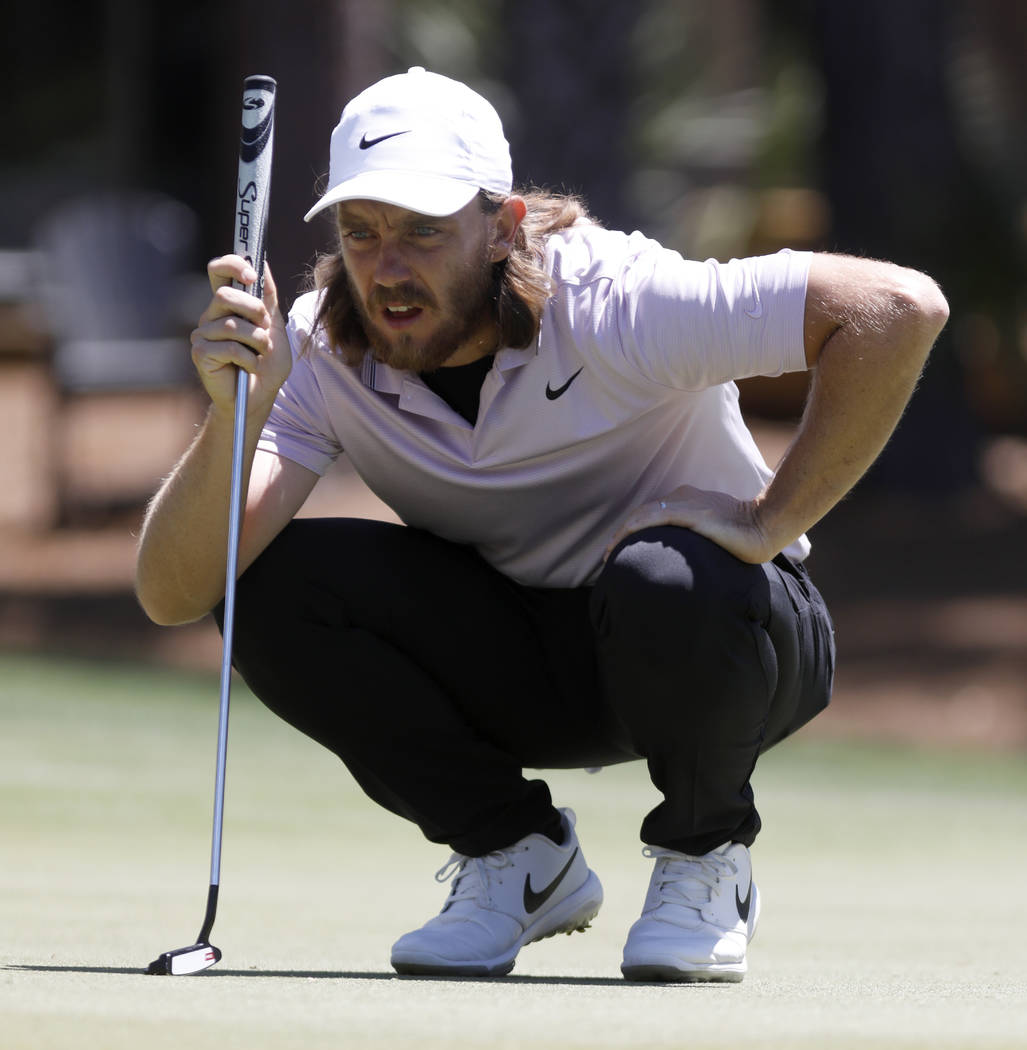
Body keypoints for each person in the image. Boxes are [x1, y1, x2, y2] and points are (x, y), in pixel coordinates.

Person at [135, 67, 949, 982]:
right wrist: (237, 408)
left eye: (423, 231)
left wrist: (769, 520)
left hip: (730, 639)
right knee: (265, 583)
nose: (387, 266)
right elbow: (178, 590)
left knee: (661, 576)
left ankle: (703, 857)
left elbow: (897, 309)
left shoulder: (616, 299)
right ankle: (517, 859)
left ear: (504, 226)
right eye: (360, 233)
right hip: (534, 662)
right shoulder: (316, 350)